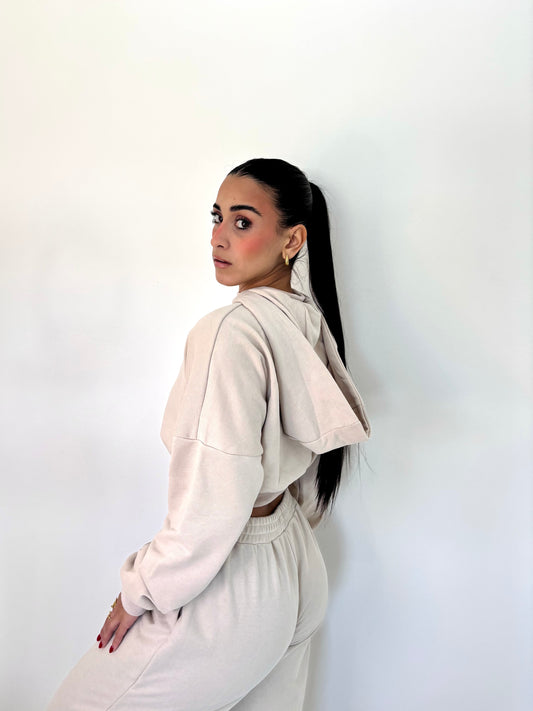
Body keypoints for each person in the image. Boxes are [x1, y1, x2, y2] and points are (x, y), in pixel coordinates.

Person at [47, 158, 371, 711]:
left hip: (230, 580)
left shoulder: (229, 331)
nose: (219, 237)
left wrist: (141, 590)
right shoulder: (302, 318)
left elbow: (212, 500)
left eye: (243, 222)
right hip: (294, 565)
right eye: (217, 217)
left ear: (293, 240)